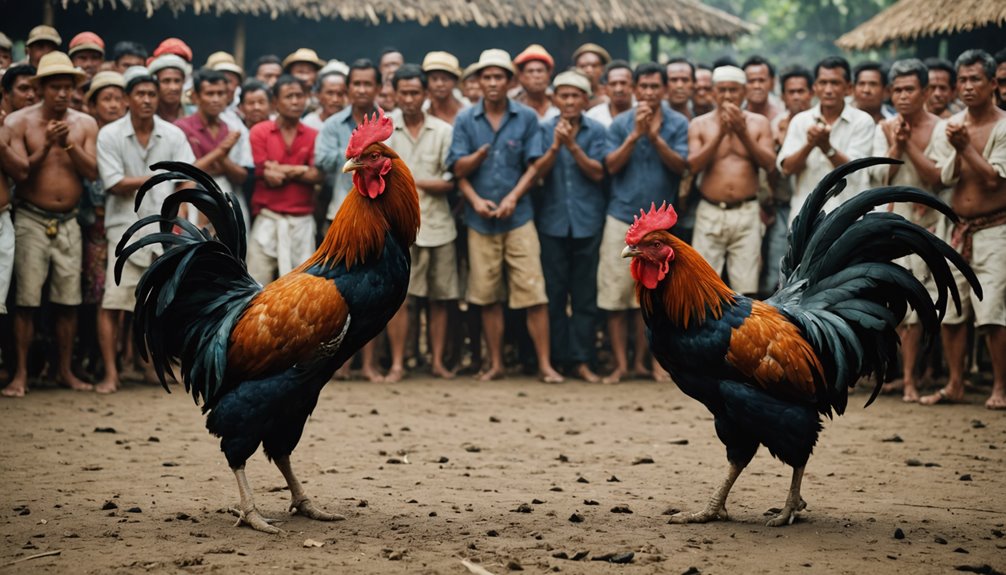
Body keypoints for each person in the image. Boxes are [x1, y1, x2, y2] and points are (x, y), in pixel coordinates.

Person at [447, 48, 563, 384]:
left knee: (534, 294)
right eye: (487, 77)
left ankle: (544, 365)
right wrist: (476, 199)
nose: (493, 82)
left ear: (509, 81)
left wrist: (513, 196)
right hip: (479, 218)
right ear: (478, 81)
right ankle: (496, 364)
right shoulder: (465, 120)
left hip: (519, 216)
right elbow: (458, 170)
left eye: (499, 76)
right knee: (487, 297)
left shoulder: (525, 117)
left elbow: (534, 166)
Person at [0, 52, 97, 397]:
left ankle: (64, 371)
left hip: (69, 222)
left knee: (68, 301)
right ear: (40, 88)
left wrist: (68, 143)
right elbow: (18, 173)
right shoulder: (18, 122)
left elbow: (92, 172)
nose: (61, 93)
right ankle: (20, 374)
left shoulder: (84, 123)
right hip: (30, 217)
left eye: (66, 87)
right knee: (25, 301)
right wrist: (48, 145)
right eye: (54, 87)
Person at [95, 65, 195, 393]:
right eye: (140, 94)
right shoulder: (109, 135)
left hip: (165, 230)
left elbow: (185, 178)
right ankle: (111, 373)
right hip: (124, 229)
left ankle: (155, 369)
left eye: (152, 94)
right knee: (114, 302)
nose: (147, 99)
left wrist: (180, 216)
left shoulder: (173, 134)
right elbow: (114, 184)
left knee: (159, 304)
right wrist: (161, 178)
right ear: (127, 98)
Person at [922, 50, 1006, 411]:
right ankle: (955, 383)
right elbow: (941, 178)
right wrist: (958, 148)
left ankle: (1000, 387)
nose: (968, 87)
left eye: (976, 80)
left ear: (992, 84)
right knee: (952, 312)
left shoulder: (1003, 126)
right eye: (964, 80)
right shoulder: (949, 126)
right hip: (954, 228)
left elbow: (991, 180)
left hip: (994, 229)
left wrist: (965, 147)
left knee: (992, 312)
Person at [599, 61, 688, 384]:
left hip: (660, 231)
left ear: (663, 90)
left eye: (655, 87)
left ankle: (650, 363)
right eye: (644, 87)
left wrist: (655, 137)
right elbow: (610, 165)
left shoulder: (678, 123)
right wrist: (637, 135)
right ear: (636, 90)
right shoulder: (620, 123)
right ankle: (621, 365)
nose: (649, 93)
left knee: (655, 301)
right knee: (615, 297)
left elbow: (681, 166)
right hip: (620, 216)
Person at [866, 58, 942, 403]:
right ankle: (898, 375)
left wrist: (909, 142)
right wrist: (896, 144)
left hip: (931, 221)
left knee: (923, 299)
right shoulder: (883, 128)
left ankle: (912, 378)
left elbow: (935, 178)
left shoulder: (943, 128)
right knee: (893, 300)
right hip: (894, 220)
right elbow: (880, 178)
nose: (902, 96)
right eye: (896, 90)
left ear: (925, 91)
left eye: (909, 89)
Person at [384, 64, 458, 382]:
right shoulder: (385, 130)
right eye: (405, 93)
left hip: (439, 226)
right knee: (401, 301)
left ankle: (436, 362)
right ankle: (399, 363)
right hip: (398, 229)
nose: (410, 98)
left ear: (425, 95)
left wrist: (410, 181)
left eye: (416, 92)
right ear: (395, 95)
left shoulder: (443, 130)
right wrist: (420, 182)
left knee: (440, 299)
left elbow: (450, 180)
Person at [534, 70, 606, 382]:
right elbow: (537, 172)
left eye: (576, 95)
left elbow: (598, 173)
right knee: (553, 294)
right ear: (554, 99)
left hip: (588, 223)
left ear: (586, 100)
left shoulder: (598, 130)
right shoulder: (542, 129)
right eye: (563, 95)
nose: (569, 101)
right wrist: (555, 144)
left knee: (584, 296)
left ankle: (582, 360)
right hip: (551, 223)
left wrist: (573, 146)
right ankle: (557, 360)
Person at [687, 66, 775, 296]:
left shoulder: (759, 123)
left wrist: (742, 131)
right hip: (710, 211)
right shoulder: (700, 124)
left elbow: (769, 163)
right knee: (703, 285)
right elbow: (693, 166)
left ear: (744, 92)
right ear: (713, 92)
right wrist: (720, 134)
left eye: (733, 90)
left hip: (746, 211)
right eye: (722, 90)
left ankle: (743, 332)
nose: (727, 96)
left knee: (746, 287)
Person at [778, 56, 874, 222]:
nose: (828, 90)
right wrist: (810, 144)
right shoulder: (801, 121)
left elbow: (856, 169)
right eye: (823, 83)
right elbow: (787, 168)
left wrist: (827, 148)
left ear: (848, 88)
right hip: (806, 219)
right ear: (815, 87)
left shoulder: (862, 121)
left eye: (835, 83)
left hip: (848, 218)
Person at [246, 75, 322, 285]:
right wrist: (301, 170)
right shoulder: (260, 131)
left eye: (299, 96)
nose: (295, 101)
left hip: (302, 222)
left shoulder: (315, 134)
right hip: (268, 218)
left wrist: (285, 169)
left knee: (303, 290)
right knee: (255, 285)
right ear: (275, 102)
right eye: (289, 96)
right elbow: (270, 177)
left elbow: (318, 175)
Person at [759, 65, 813, 296]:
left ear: (811, 92)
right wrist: (779, 144)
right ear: (783, 96)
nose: (797, 96)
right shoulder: (774, 125)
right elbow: (769, 172)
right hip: (782, 207)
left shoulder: (818, 123)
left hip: (811, 206)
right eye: (791, 92)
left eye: (801, 91)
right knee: (777, 270)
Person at [175, 68, 251, 227]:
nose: (216, 99)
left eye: (221, 93)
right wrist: (221, 152)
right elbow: (183, 172)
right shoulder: (181, 128)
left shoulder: (233, 128)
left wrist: (220, 160)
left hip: (227, 196)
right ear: (195, 96)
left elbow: (242, 176)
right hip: (192, 197)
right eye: (209, 93)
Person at [316, 58, 381, 223]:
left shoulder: (388, 123)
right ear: (348, 88)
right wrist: (353, 152)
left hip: (381, 213)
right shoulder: (333, 124)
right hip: (342, 211)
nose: (361, 90)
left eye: (367, 84)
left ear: (378, 88)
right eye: (356, 84)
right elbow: (322, 161)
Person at [512, 44, 557, 120]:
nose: (536, 76)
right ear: (521, 76)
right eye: (530, 71)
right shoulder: (511, 104)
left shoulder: (559, 103)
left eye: (540, 71)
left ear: (549, 74)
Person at [586, 60, 634, 128]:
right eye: (613, 84)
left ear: (632, 86)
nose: (618, 89)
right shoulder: (593, 116)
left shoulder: (642, 113)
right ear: (605, 88)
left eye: (623, 83)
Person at [422, 51, 466, 126]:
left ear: (455, 81)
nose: (440, 84)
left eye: (445, 79)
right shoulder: (421, 112)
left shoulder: (468, 112)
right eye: (434, 79)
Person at [303, 64, 348, 131]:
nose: (335, 99)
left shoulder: (354, 123)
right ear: (318, 95)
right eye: (330, 93)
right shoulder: (309, 123)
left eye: (340, 94)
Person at [149, 54, 190, 123]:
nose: (173, 87)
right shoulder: (146, 115)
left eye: (177, 81)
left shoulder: (194, 113)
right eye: (166, 81)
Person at [742, 55, 782, 123]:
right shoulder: (736, 116)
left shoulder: (781, 117)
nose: (757, 86)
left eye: (761, 80)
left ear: (772, 83)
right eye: (751, 81)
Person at [572, 43, 611, 107]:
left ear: (603, 68)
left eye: (594, 66)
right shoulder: (568, 93)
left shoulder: (609, 92)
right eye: (583, 66)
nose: (588, 70)